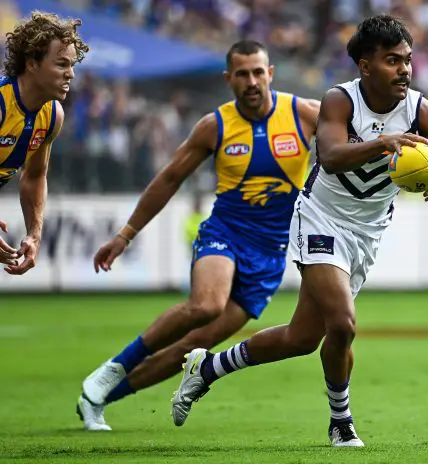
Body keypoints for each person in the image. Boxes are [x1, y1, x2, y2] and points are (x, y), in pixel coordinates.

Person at [171, 15, 428, 447]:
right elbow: (331, 156)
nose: (405, 69)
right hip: (320, 218)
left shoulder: (420, 110)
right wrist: (384, 143)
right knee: (344, 323)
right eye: (392, 61)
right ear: (365, 66)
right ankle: (341, 422)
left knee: (301, 339)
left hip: (366, 233)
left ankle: (207, 369)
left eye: (407, 60)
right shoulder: (341, 101)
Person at [77, 40, 321, 431]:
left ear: (270, 73)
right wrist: (125, 234)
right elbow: (169, 178)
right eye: (242, 74)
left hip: (271, 253)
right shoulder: (215, 125)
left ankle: (99, 399)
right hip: (224, 233)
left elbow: (350, 140)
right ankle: (114, 367)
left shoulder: (305, 114)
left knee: (191, 350)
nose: (252, 81)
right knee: (206, 304)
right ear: (229, 79)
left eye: (258, 72)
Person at [0, 12, 88, 275]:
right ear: (32, 63)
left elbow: (35, 177)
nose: (70, 74)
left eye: (72, 65)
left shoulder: (52, 117)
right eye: (61, 64)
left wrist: (34, 234)